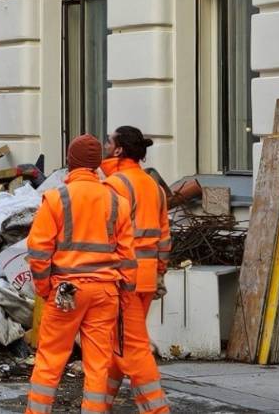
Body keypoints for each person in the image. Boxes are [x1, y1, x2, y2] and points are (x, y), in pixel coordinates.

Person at [25, 134, 135, 414]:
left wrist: (45, 289)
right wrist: (124, 296)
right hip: (105, 292)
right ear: (97, 164)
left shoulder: (56, 199)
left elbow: (38, 251)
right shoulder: (117, 202)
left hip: (66, 291)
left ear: (70, 161)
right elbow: (128, 258)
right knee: (98, 365)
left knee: (50, 361)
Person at [98, 126, 170, 414]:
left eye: (108, 141)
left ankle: (156, 410)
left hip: (124, 278)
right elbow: (164, 237)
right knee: (119, 344)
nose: (104, 145)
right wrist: (160, 271)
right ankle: (98, 405)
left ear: (118, 149)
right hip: (147, 278)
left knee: (133, 348)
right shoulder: (153, 186)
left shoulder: (116, 185)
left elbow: (108, 237)